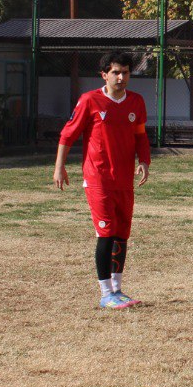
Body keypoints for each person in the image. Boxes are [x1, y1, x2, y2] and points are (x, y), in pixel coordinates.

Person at [54, 51, 152, 310]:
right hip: (98, 179)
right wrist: (59, 167)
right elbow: (67, 135)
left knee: (122, 234)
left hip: (123, 180)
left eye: (126, 72)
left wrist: (144, 161)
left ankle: (118, 290)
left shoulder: (136, 102)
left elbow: (141, 135)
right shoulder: (90, 101)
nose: (121, 77)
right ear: (104, 75)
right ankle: (105, 293)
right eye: (116, 72)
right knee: (106, 232)